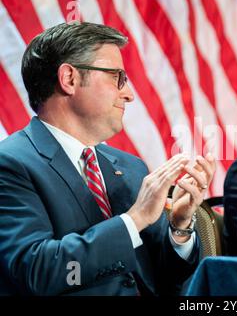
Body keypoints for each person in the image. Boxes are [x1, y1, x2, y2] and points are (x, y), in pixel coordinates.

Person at [0, 22, 216, 295]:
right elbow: (38, 273)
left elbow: (168, 278)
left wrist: (180, 227)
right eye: (117, 77)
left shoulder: (130, 168)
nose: (129, 94)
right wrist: (134, 220)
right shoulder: (11, 164)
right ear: (69, 79)